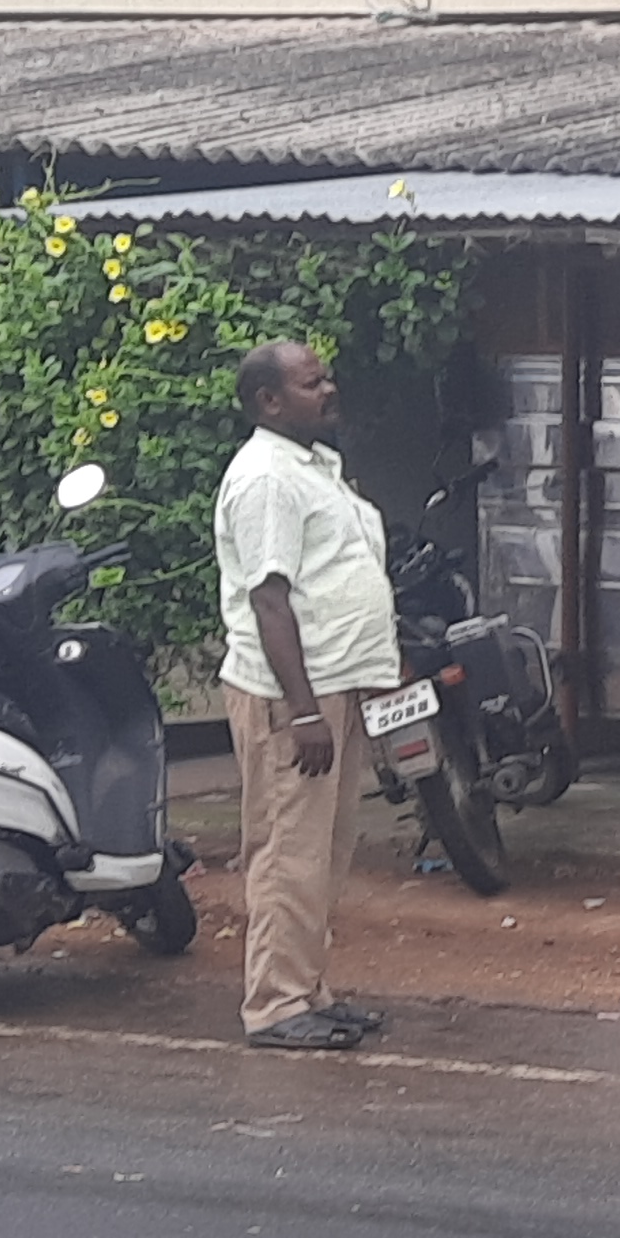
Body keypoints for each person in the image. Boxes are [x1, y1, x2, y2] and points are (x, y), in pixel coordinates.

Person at [215, 341, 400, 1054]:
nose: (329, 388)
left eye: (327, 376)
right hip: (296, 699)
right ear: (269, 401)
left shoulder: (313, 467)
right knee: (288, 851)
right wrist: (300, 712)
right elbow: (270, 600)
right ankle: (275, 1004)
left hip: (336, 688)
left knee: (325, 850)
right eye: (311, 382)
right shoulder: (265, 478)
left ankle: (309, 989)